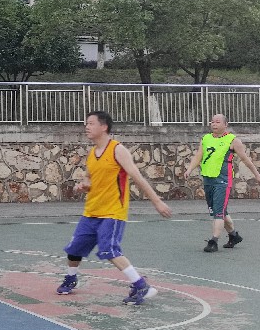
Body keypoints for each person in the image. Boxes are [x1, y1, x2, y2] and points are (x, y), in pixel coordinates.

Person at [55, 111, 172, 305]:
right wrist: (83, 186)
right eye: (86, 123)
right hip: (91, 212)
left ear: (104, 127)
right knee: (74, 250)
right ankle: (71, 278)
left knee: (109, 249)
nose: (87, 127)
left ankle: (141, 285)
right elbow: (89, 179)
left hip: (113, 212)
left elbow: (137, 177)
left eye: (91, 123)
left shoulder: (117, 150)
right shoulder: (92, 153)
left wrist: (157, 202)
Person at [185, 113, 260, 252]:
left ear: (225, 124)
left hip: (223, 180)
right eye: (212, 122)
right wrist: (189, 169)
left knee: (218, 212)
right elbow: (198, 156)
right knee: (220, 210)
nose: (214, 124)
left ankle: (213, 241)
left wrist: (257, 175)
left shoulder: (233, 140)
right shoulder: (206, 138)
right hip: (208, 179)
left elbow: (245, 159)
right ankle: (234, 236)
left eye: (217, 122)